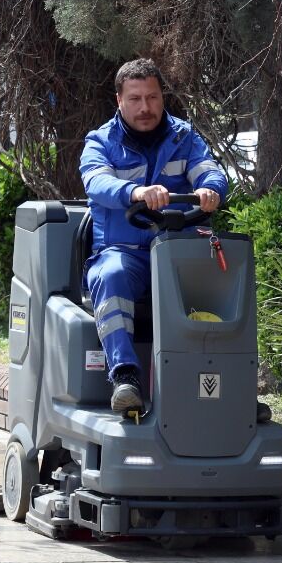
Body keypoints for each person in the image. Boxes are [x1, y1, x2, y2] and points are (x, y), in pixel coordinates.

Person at [81, 58, 228, 414]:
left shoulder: (184, 137)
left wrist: (210, 190)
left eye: (152, 97)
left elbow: (210, 171)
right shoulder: (100, 142)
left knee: (227, 280)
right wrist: (135, 192)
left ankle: (233, 383)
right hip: (124, 252)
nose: (145, 107)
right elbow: (96, 182)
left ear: (163, 97)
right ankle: (126, 378)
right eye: (135, 99)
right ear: (119, 100)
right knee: (109, 274)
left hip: (177, 251)